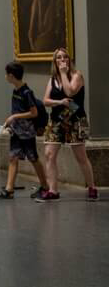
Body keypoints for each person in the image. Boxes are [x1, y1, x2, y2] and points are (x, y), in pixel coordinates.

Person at [38, 47, 98, 202]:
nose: (62, 60)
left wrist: (64, 74)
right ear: (55, 61)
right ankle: (53, 190)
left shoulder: (77, 76)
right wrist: (59, 101)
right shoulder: (52, 79)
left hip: (76, 120)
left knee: (81, 157)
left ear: (69, 60)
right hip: (57, 120)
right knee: (49, 154)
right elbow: (45, 100)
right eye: (58, 57)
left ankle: (92, 187)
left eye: (65, 57)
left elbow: (70, 91)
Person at [0, 62, 50, 200]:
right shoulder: (16, 91)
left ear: (11, 76)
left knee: (33, 158)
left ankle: (45, 186)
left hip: (27, 133)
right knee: (13, 157)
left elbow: (33, 113)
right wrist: (10, 122)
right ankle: (9, 189)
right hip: (17, 131)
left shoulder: (26, 92)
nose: (5, 76)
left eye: (6, 74)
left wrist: (15, 116)